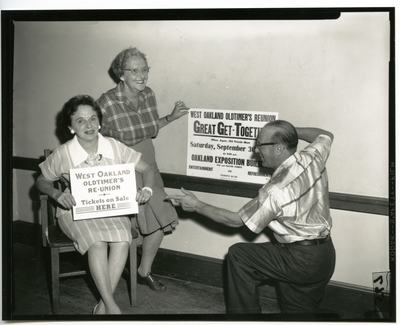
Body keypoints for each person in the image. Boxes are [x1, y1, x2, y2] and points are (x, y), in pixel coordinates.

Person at [168, 120, 336, 315]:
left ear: (280, 148)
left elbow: (235, 220)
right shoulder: (312, 157)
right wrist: (288, 133)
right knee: (297, 314)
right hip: (324, 256)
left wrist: (197, 205)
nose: (256, 150)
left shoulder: (276, 190)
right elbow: (326, 134)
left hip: (298, 260)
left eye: (260, 145)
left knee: (239, 255)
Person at [36, 95, 156, 314]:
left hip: (111, 208)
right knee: (97, 243)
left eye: (92, 118)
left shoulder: (114, 146)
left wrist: (146, 189)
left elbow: (148, 169)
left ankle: (101, 307)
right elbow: (42, 180)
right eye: (80, 121)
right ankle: (111, 307)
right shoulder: (63, 153)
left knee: (121, 240)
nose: (88, 125)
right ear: (71, 127)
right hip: (74, 210)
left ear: (100, 122)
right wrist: (55, 193)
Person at [96, 47, 189, 292]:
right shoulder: (106, 102)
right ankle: (116, 276)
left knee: (161, 218)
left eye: (144, 69)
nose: (141, 75)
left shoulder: (149, 94)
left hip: (149, 166)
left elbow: (149, 128)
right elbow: (89, 136)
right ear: (120, 74)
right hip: (123, 168)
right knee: (135, 225)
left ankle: (142, 270)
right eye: (134, 70)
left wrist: (171, 117)